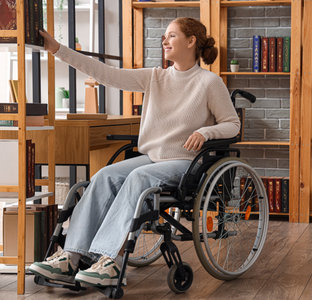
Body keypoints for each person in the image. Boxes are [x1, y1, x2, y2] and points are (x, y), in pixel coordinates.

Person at [29, 17, 240, 287]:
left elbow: (232, 125)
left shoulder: (209, 83)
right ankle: (70, 256)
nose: (164, 40)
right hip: (153, 158)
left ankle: (111, 262)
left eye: (172, 35)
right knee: (105, 175)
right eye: (164, 36)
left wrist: (205, 132)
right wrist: (57, 49)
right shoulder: (155, 77)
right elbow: (104, 73)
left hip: (185, 163)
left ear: (191, 42)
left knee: (139, 178)